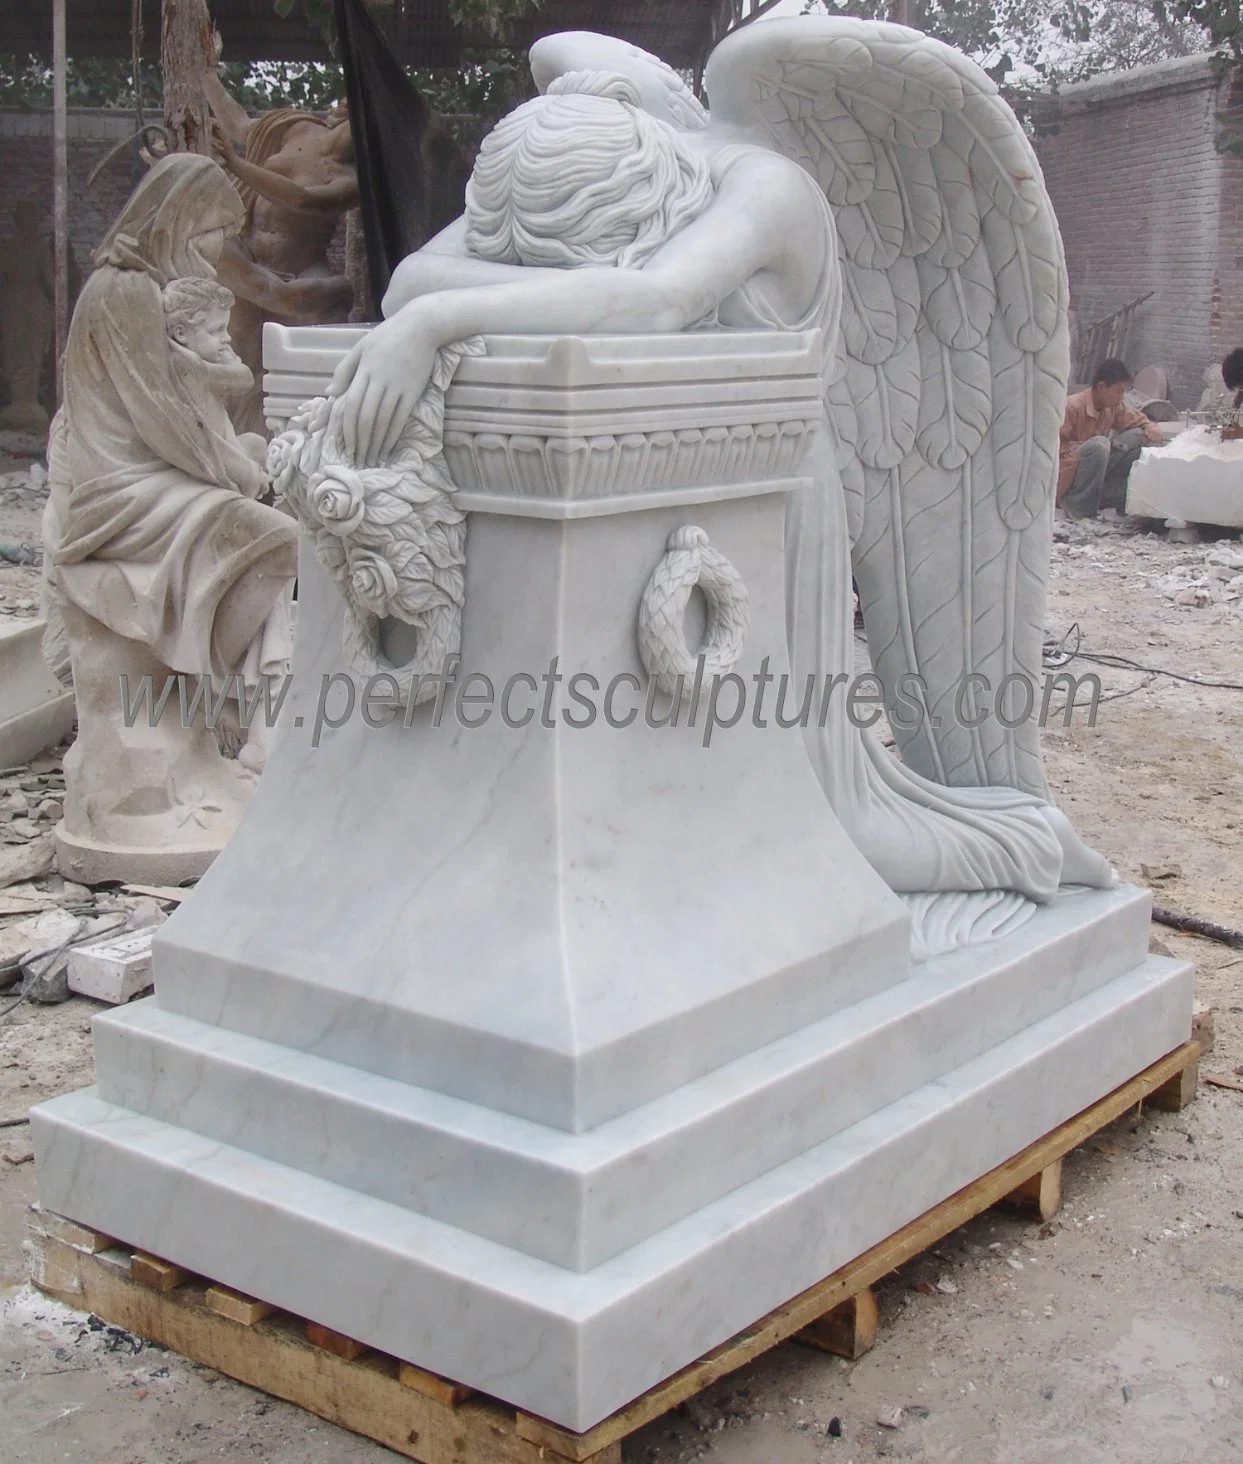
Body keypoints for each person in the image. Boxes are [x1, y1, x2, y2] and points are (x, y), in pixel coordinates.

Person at [324, 63, 1112, 905]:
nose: (547, 280)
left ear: (648, 200)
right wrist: (471, 300)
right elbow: (413, 274)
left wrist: (443, 318)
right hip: (639, 478)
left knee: (830, 824)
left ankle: (1025, 843)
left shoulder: (768, 187)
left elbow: (652, 301)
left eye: (574, 261)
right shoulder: (566, 129)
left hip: (765, 501)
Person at [1058, 358, 1163, 519]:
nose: (1121, 397)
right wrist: (1087, 448)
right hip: (1069, 476)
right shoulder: (1072, 406)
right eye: (1118, 391)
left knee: (1138, 436)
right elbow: (1054, 448)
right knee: (1099, 445)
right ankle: (1078, 507)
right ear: (1101, 387)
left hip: (1095, 472)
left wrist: (1151, 428)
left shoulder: (1112, 407)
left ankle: (1110, 496)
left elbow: (1138, 420)